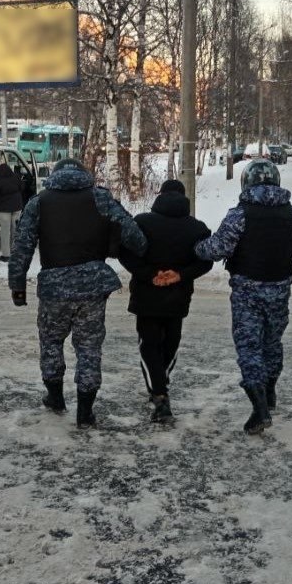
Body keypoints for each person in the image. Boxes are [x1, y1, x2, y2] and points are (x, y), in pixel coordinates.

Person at [9, 158, 147, 429]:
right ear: (85, 175)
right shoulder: (100, 198)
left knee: (51, 343)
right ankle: (85, 411)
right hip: (93, 288)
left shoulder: (39, 202)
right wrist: (134, 249)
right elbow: (134, 236)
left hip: (53, 288)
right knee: (89, 349)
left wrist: (17, 285)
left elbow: (22, 246)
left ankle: (55, 398)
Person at [194, 159, 292, 435]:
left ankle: (259, 408)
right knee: (272, 343)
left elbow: (216, 249)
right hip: (280, 290)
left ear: (247, 183)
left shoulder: (240, 215)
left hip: (247, 292)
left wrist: (195, 247)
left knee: (249, 349)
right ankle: (269, 392)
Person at [118, 180, 213, 423]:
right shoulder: (197, 228)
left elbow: (126, 253)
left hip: (147, 293)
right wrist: (179, 275)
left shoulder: (142, 222)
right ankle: (161, 383)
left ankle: (159, 393)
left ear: (159, 196)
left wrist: (151, 275)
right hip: (178, 295)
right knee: (171, 342)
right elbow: (206, 261)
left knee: (148, 344)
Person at [0, 162, 24, 262]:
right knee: (15, 230)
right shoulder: (16, 177)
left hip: (4, 209)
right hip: (17, 207)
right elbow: (22, 188)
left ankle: (6, 255)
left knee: (5, 232)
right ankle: (15, 252)